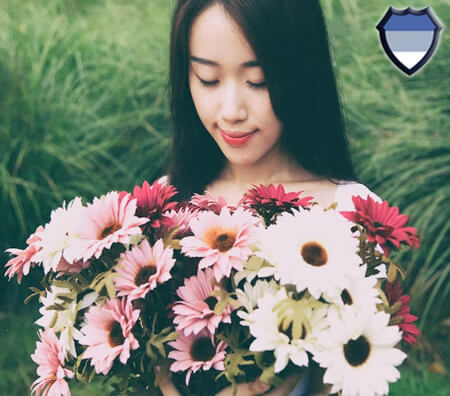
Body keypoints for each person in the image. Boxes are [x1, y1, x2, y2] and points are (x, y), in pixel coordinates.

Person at [159, 0, 381, 395]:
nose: (231, 111)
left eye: (258, 81)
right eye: (207, 79)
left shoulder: (351, 214)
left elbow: (362, 373)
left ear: (303, 72)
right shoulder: (167, 207)